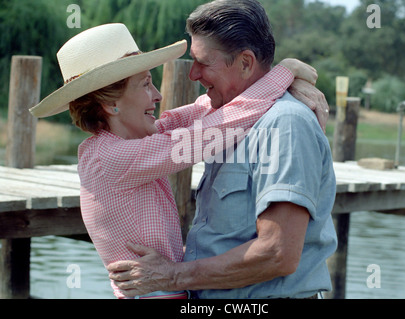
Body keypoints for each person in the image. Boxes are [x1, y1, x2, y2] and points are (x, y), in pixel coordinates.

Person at [29, 22, 325, 299]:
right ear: (110, 104)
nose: (158, 95)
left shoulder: (126, 145)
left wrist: (279, 84)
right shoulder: (111, 158)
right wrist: (284, 73)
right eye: (145, 84)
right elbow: (216, 129)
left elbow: (202, 109)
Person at [108, 0, 337, 299]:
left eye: (203, 62)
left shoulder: (284, 123)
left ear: (244, 63)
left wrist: (170, 275)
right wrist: (288, 72)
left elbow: (277, 252)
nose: (193, 74)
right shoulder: (227, 118)